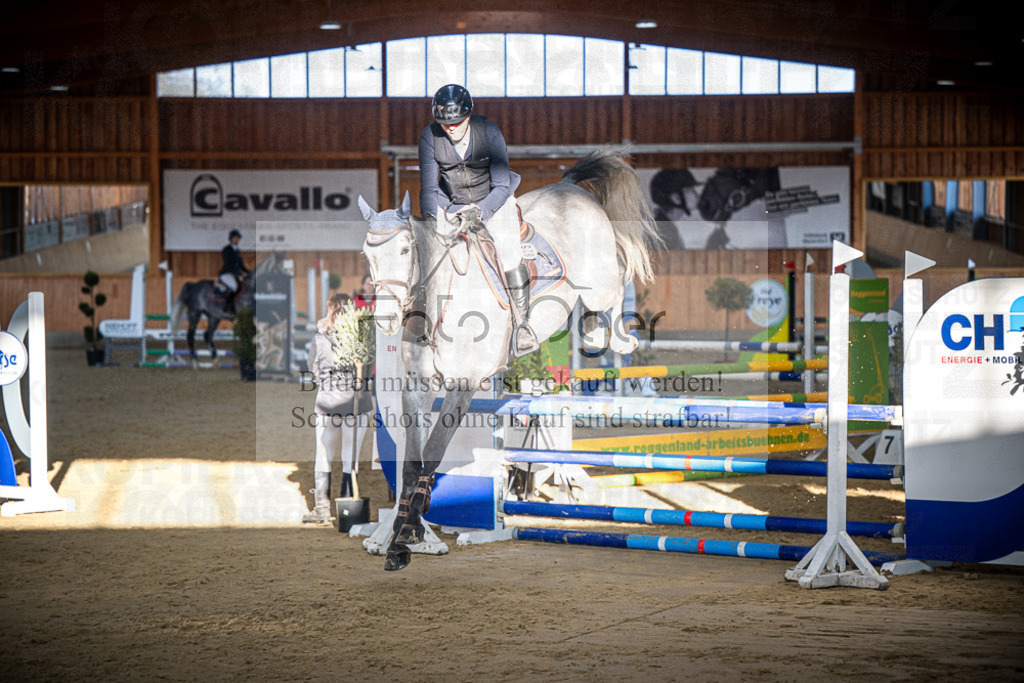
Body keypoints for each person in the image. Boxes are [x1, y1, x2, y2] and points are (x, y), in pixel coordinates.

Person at [418, 83, 538, 355]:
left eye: (457, 122)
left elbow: (502, 185)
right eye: (445, 122)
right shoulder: (429, 136)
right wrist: (430, 220)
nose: (451, 127)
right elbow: (429, 187)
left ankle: (522, 326)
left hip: (494, 201)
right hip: (451, 203)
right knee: (428, 251)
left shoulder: (489, 132)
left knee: (508, 252)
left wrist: (480, 211)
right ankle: (424, 321)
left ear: (468, 116)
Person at [301, 293, 375, 525]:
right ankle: (346, 506)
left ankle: (322, 508)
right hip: (357, 404)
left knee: (323, 454)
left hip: (328, 403)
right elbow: (369, 370)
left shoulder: (319, 339)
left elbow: (312, 372)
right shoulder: (362, 338)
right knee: (349, 457)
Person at [649, 168, 700, 250]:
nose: (696, 195)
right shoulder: (664, 232)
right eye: (691, 190)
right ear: (676, 198)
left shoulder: (663, 226)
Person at [219, 229, 249, 312]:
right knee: (234, 286)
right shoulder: (226, 249)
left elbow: (241, 265)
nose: (237, 240)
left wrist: (249, 272)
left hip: (235, 274)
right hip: (226, 273)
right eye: (235, 238)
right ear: (231, 239)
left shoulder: (238, 251)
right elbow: (227, 263)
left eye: (238, 238)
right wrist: (237, 273)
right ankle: (227, 306)